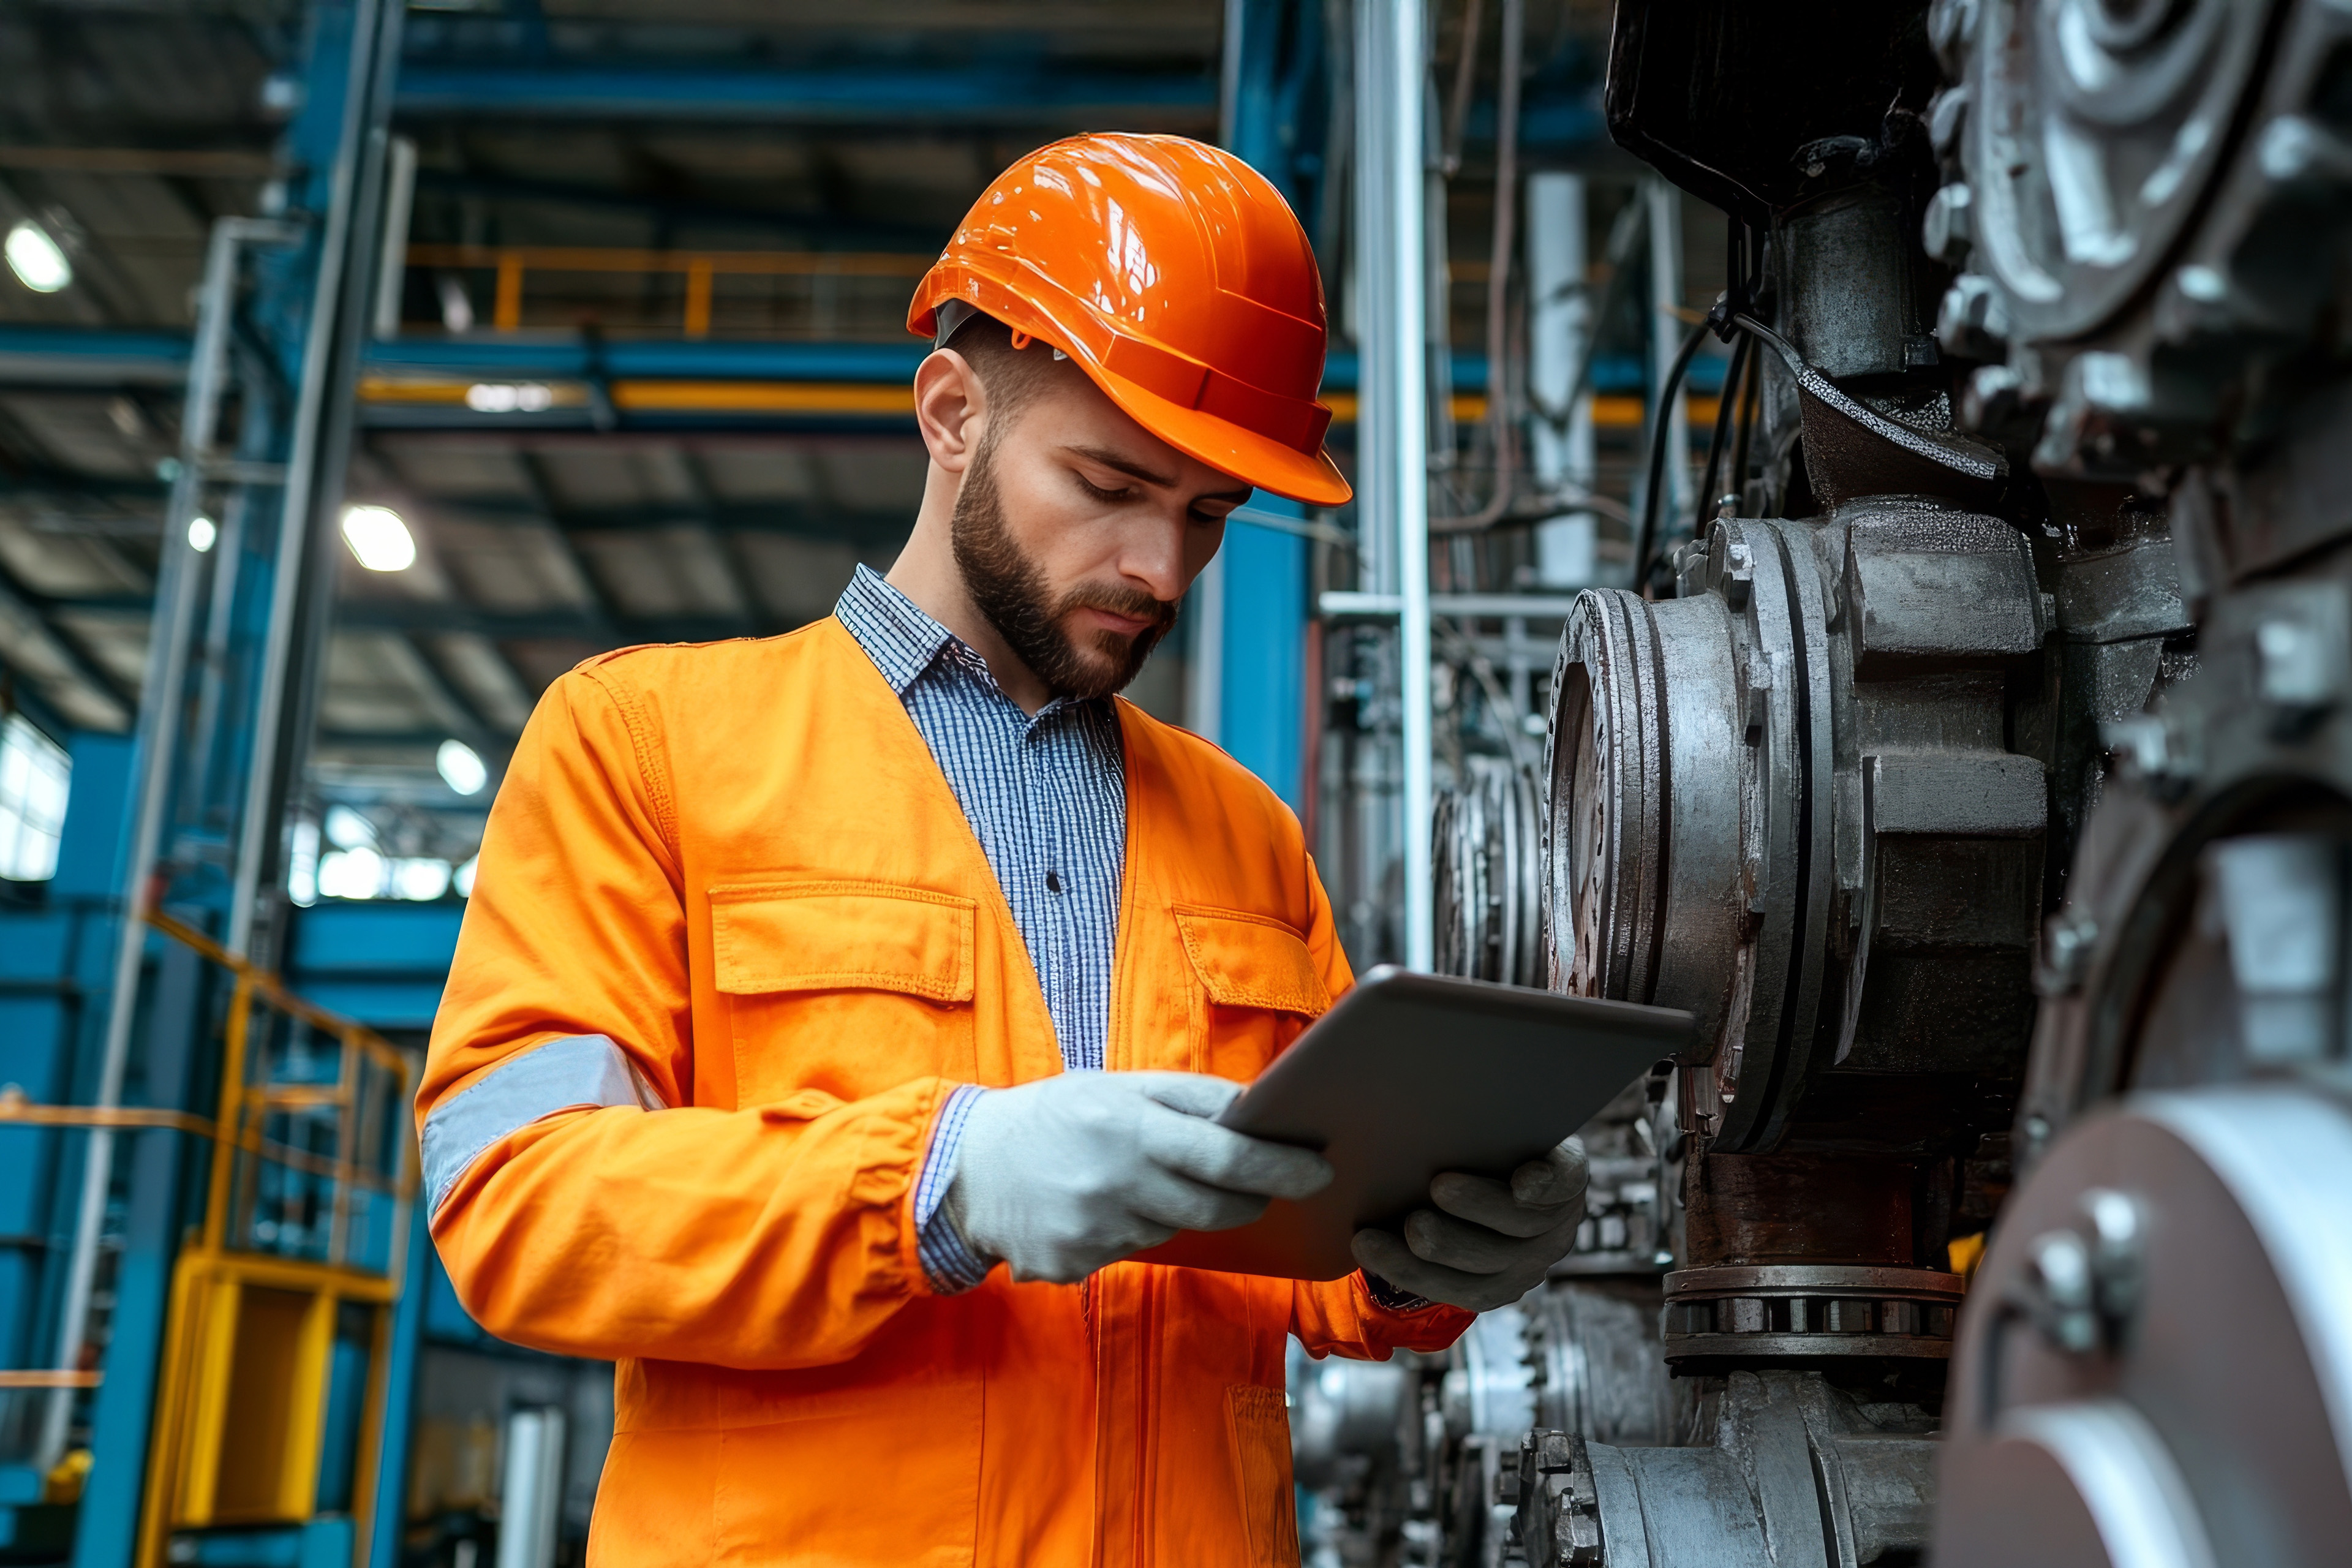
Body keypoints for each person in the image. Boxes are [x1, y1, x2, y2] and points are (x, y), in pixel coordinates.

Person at [418, 132, 1588, 1566]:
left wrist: (1431, 1257)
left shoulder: (1247, 832)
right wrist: (939, 1180)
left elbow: (1304, 1250)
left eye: (1207, 514)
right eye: (1109, 483)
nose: (1160, 567)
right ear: (953, 413)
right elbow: (519, 1201)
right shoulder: (646, 743)